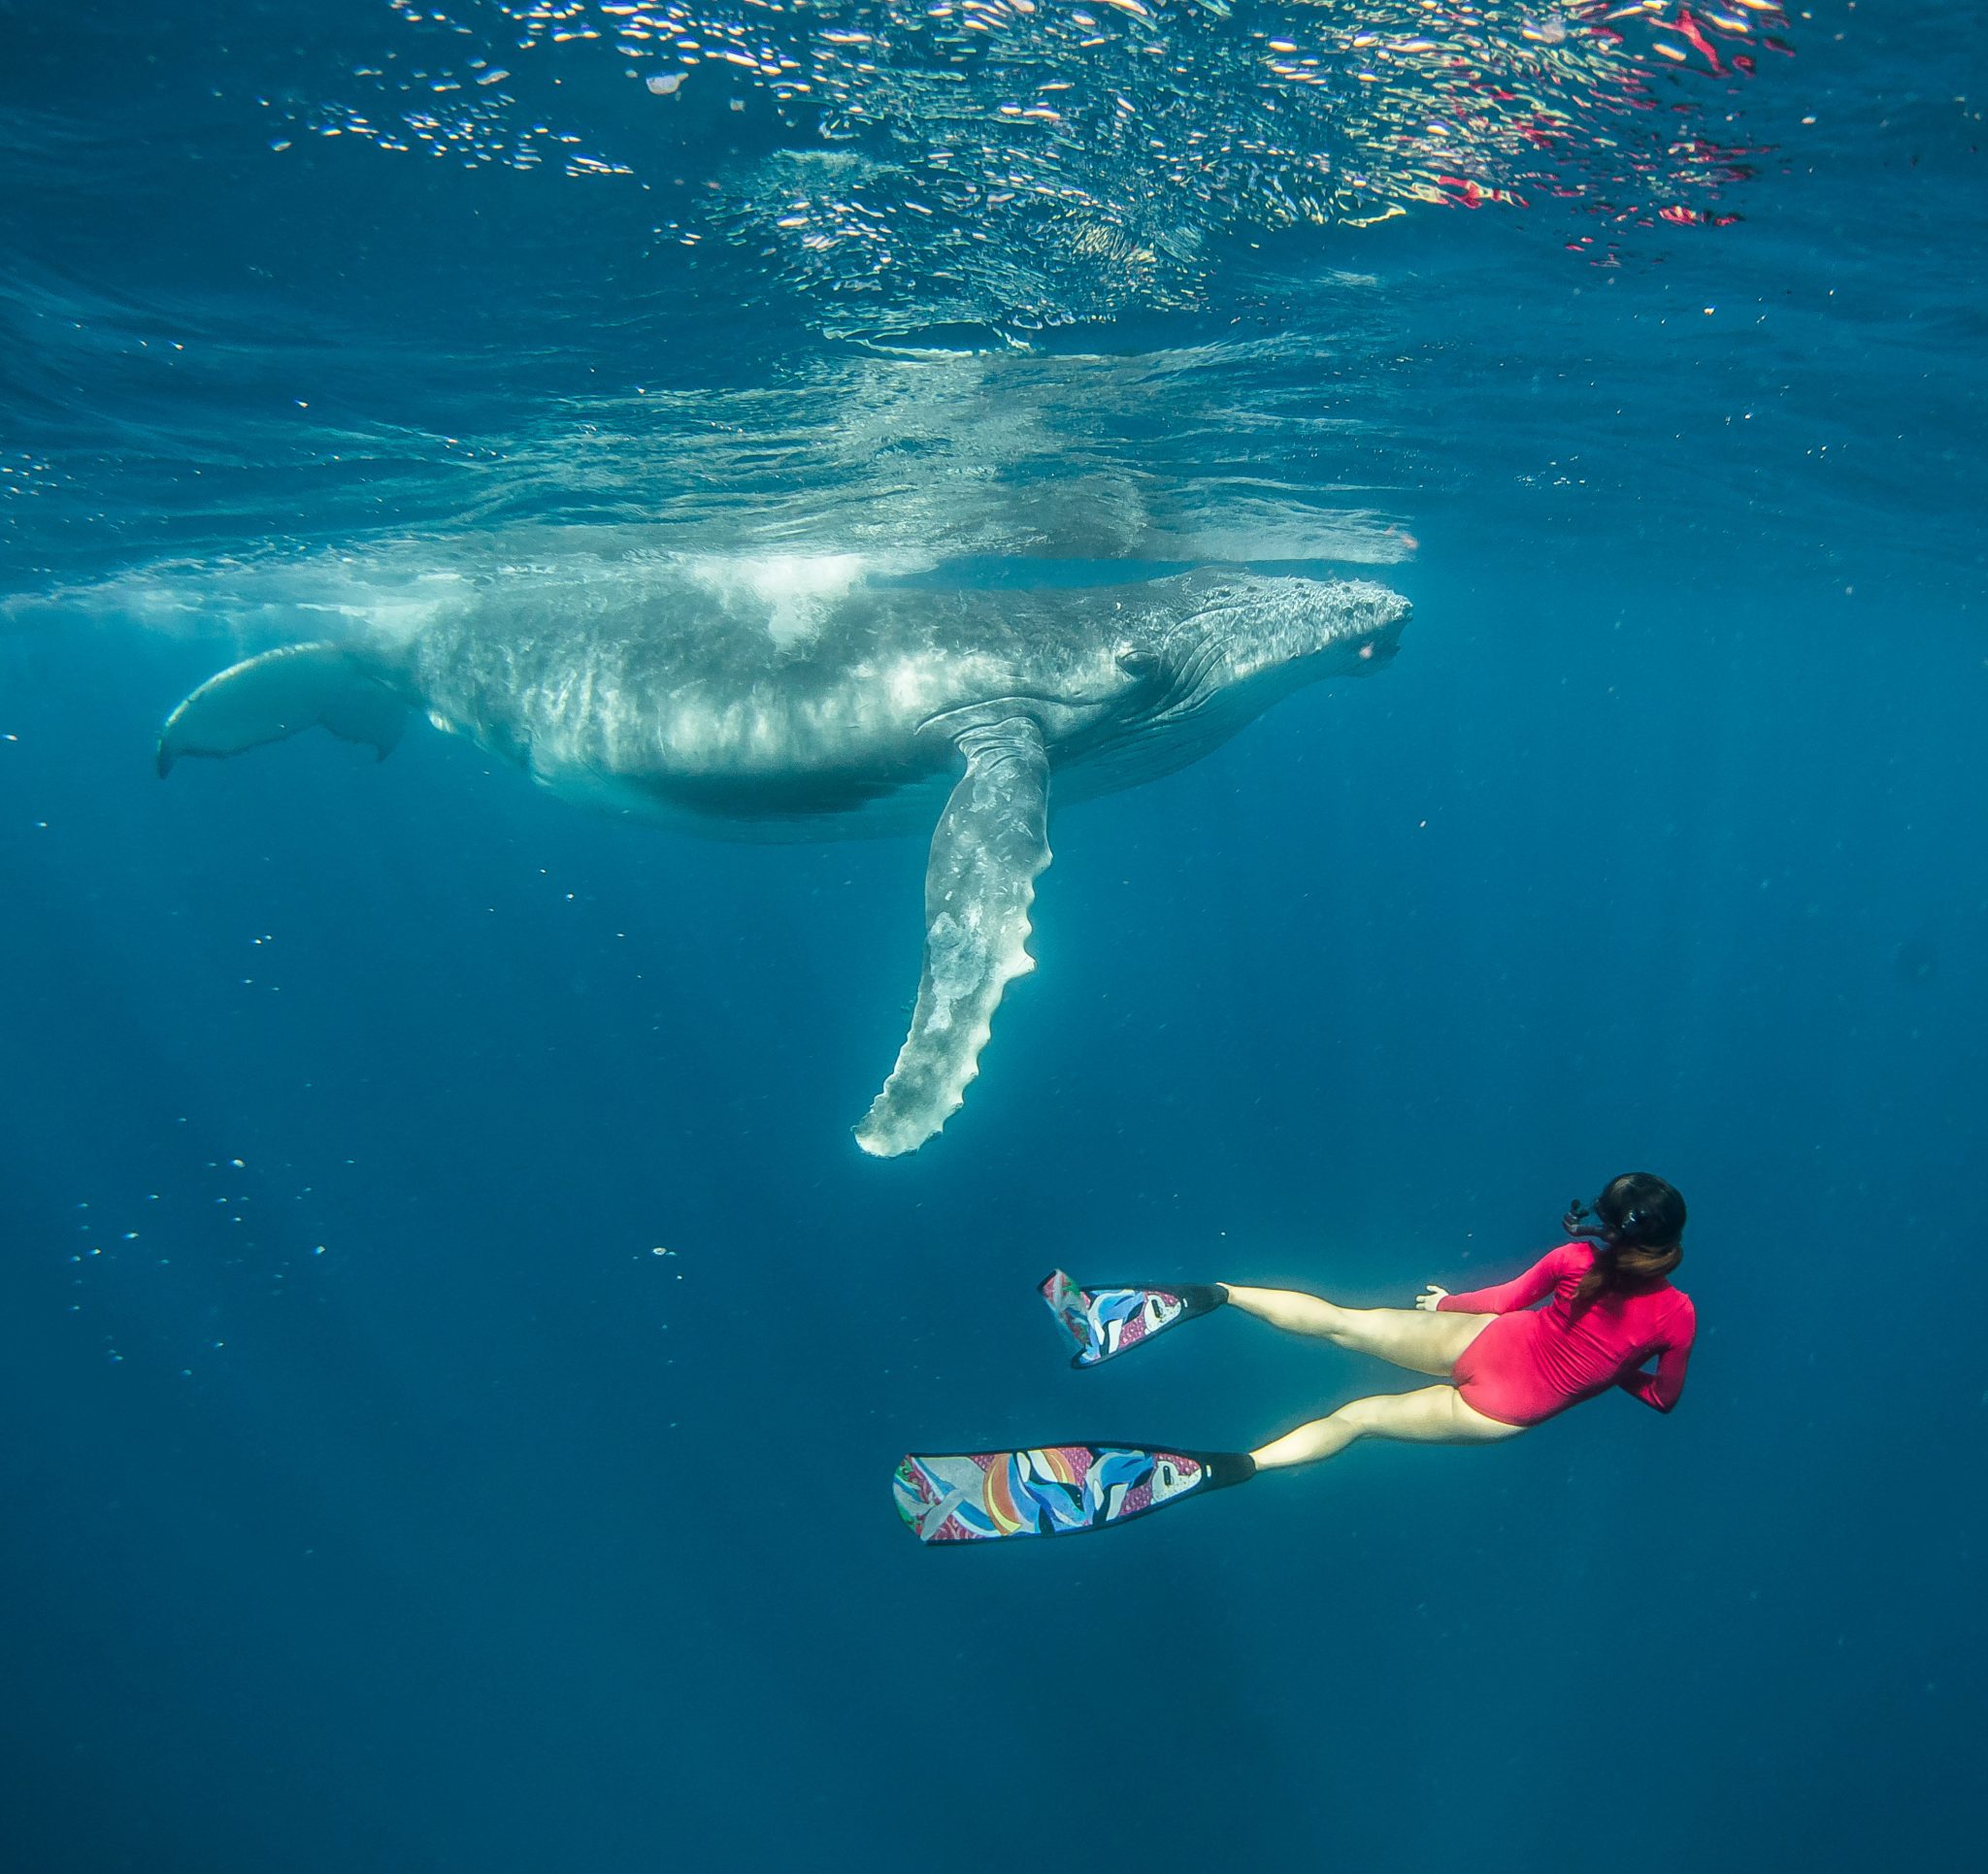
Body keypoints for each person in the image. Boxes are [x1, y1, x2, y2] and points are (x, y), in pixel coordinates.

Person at [895, 1172, 1698, 1543]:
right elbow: (1664, 1399)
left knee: (1342, 1324)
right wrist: (1614, 1371)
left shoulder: (1571, 1261)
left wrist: (1443, 1307)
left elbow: (1502, 1296)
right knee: (1354, 1420)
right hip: (1507, 1404)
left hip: (1486, 1337)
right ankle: (1232, 1467)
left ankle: (1211, 1294)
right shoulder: (1677, 1315)